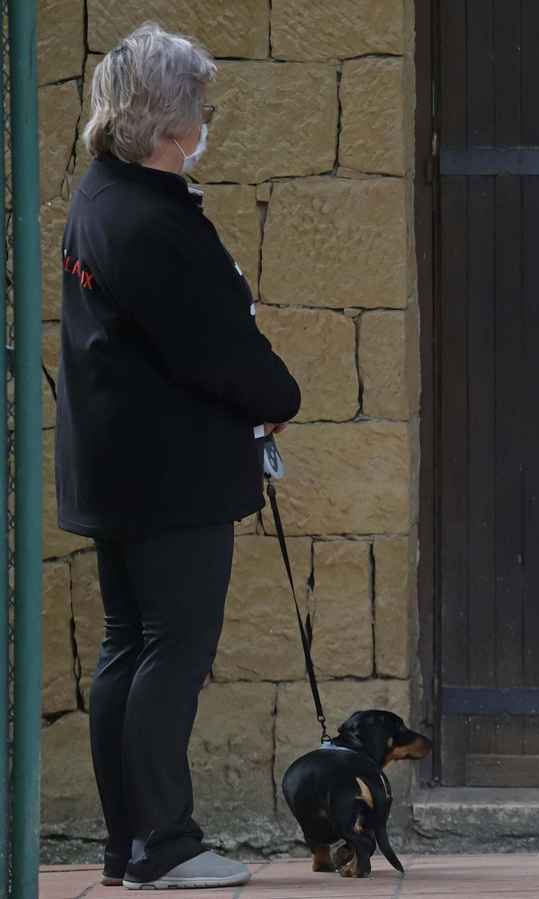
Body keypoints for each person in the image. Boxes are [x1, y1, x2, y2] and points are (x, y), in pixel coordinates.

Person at [57, 23, 301, 890]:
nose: (206, 121)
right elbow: (217, 348)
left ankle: (128, 846)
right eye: (199, 107)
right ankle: (164, 843)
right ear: (168, 126)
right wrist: (278, 401)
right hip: (169, 475)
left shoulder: (104, 196)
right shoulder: (152, 220)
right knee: (173, 653)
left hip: (119, 466)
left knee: (131, 646)